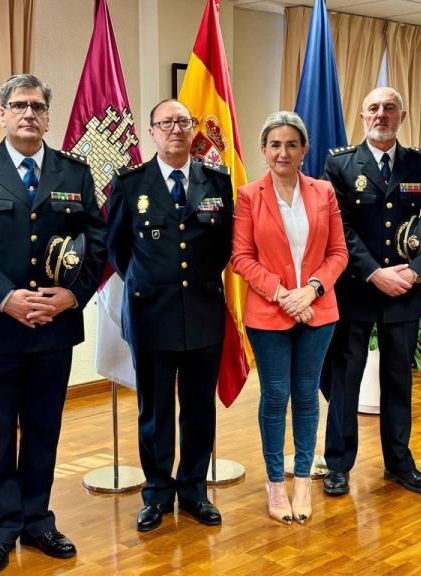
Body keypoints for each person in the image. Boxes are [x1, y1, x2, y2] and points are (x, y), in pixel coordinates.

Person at [0, 74, 106, 572]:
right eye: (19, 105)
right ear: (2, 114)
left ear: (47, 115)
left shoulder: (74, 172)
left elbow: (97, 243)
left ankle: (38, 519)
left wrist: (71, 297)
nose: (29, 114)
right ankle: (0, 527)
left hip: (54, 328)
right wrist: (5, 298)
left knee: (44, 428)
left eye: (38, 106)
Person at [106, 99, 234, 532]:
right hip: (149, 314)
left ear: (194, 129)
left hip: (202, 310)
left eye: (183, 122)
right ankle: (157, 492)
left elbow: (224, 246)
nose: (175, 129)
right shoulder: (129, 183)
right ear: (152, 131)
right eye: (166, 123)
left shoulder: (217, 181)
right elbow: (117, 248)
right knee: (155, 411)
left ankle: (194, 490)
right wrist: (151, 282)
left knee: (199, 408)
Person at [320, 87, 421, 496]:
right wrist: (375, 273)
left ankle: (399, 462)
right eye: (374, 108)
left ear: (402, 116)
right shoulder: (340, 164)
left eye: (389, 108)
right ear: (362, 117)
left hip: (405, 292)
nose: (381, 114)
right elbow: (339, 227)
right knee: (346, 381)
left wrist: (416, 273)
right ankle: (338, 464)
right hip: (357, 290)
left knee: (399, 380)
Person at [231, 112, 348, 524]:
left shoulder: (324, 193)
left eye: (292, 144)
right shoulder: (248, 195)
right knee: (276, 395)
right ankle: (275, 482)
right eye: (275, 144)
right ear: (264, 151)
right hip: (268, 312)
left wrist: (311, 290)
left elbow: (339, 253)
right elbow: (241, 257)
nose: (283, 152)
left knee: (306, 394)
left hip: (318, 310)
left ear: (305, 150)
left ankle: (302, 477)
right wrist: (283, 295)